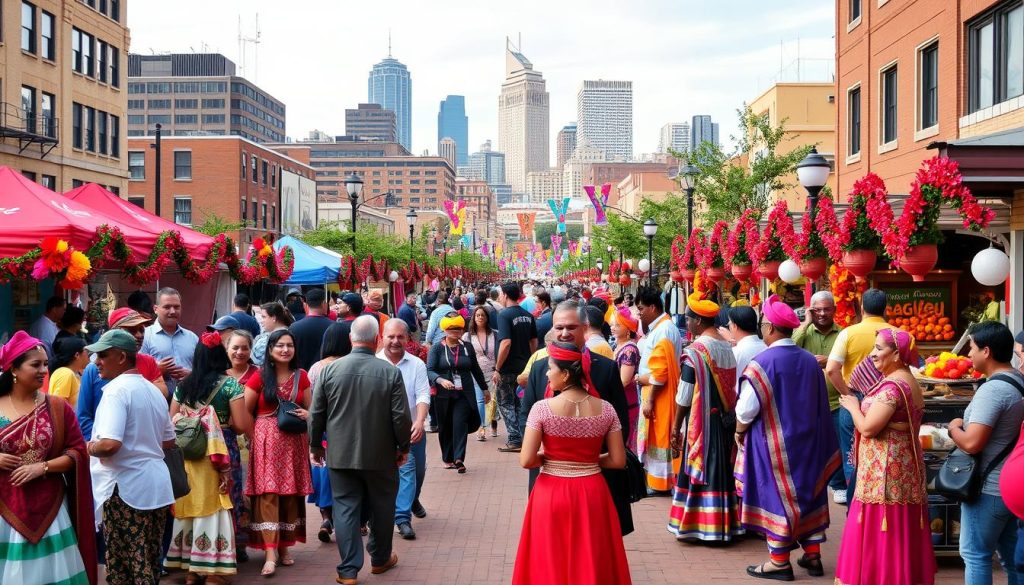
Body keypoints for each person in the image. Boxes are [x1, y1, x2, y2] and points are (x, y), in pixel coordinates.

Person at [735, 295, 840, 581]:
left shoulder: (761, 363)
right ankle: (813, 555)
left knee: (777, 498)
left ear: (768, 327)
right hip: (810, 443)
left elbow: (746, 410)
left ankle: (779, 561)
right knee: (811, 494)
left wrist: (739, 432)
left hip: (775, 445)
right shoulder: (810, 361)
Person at [513, 340, 631, 584]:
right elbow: (618, 460)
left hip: (551, 493)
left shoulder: (542, 409)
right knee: (590, 559)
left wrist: (549, 458)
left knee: (550, 561)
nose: (546, 373)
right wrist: (587, 462)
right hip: (592, 492)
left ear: (565, 374)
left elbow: (526, 460)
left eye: (550, 368)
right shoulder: (606, 410)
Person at [309, 315, 411, 585]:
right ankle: (379, 559)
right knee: (383, 506)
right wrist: (403, 447)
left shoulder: (329, 371)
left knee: (344, 509)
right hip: (381, 454)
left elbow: (316, 413)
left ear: (350, 339)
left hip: (340, 454)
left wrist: (315, 445)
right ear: (377, 339)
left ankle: (348, 569)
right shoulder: (389, 371)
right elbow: (400, 416)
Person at [520, 301, 634, 535]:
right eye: (558, 327)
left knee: (594, 545)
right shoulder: (541, 368)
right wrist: (544, 454)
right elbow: (526, 416)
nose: (564, 333)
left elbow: (621, 424)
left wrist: (588, 461)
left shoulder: (606, 368)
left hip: (596, 481)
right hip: (547, 480)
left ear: (585, 327)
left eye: (571, 327)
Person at [834, 329, 936, 585]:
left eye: (879, 349)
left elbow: (869, 427)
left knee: (885, 530)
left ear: (897, 354)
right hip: (898, 468)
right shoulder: (905, 379)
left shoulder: (893, 387)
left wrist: (854, 407)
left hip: (884, 475)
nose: (872, 354)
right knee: (900, 531)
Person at [0, 331, 96, 585]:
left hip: (50, 509)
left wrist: (42, 467)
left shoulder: (56, 407)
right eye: (36, 365)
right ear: (13, 369)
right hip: (4, 509)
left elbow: (76, 452)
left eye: (45, 363)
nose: (44, 370)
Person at [86, 329, 177, 585]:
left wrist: (88, 447)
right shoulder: (152, 390)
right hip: (155, 487)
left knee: (125, 567)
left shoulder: (116, 391)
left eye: (103, 355)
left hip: (126, 490)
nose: (97, 362)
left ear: (122, 357)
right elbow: (168, 441)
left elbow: (109, 445)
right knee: (147, 561)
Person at [165, 332, 252, 583]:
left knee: (191, 505)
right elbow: (240, 425)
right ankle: (214, 571)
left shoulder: (184, 386)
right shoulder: (231, 385)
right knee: (218, 506)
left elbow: (171, 421)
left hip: (189, 454)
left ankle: (192, 571)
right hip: (220, 453)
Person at [950, 321, 1024, 585]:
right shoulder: (1018, 379)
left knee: (975, 554)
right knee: (1011, 559)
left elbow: (972, 443)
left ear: (987, 351)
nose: (968, 354)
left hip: (990, 488)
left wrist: (953, 427)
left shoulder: (993, 390)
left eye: (971, 348)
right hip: (1011, 485)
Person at [668, 290, 742, 542]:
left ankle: (702, 526)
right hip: (723, 421)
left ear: (698, 321)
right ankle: (724, 525)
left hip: (702, 424)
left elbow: (684, 395)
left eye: (688, 319)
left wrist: (676, 427)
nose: (686, 323)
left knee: (702, 469)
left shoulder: (696, 351)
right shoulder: (726, 347)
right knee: (722, 469)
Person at [243, 329, 313, 577]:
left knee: (290, 495)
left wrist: (308, 415)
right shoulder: (260, 377)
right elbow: (245, 412)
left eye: (289, 345)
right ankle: (270, 552)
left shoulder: (301, 377)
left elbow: (311, 408)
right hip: (265, 443)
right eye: (280, 346)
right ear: (270, 351)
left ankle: (285, 546)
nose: (285, 350)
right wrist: (256, 439)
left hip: (293, 443)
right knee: (268, 494)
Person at [826, 288, 896, 504]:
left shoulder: (848, 333)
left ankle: (855, 506)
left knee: (852, 457)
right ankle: (880, 506)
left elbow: (831, 370)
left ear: (862, 307)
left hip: (855, 401)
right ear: (886, 309)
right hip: (889, 403)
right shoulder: (897, 334)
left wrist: (848, 395)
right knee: (885, 457)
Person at [77, 308, 168, 441]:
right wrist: (96, 444)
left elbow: (163, 392)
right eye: (131, 330)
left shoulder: (148, 361)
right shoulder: (93, 369)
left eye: (142, 330)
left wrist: (135, 383)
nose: (139, 335)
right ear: (114, 332)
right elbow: (84, 416)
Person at [378, 319, 430, 540]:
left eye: (400, 337)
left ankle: (411, 498)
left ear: (408, 339)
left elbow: (422, 394)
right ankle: (402, 517)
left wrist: (419, 421)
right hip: (381, 431)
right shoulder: (374, 363)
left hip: (411, 428)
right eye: (391, 336)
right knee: (400, 472)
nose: (395, 341)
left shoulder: (417, 364)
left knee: (417, 473)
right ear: (382, 337)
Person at [635, 286, 682, 494]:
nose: (639, 313)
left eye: (641, 309)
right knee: (657, 437)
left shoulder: (664, 329)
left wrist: (650, 398)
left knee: (661, 438)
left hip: (660, 393)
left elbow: (660, 370)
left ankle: (663, 483)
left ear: (653, 307)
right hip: (655, 390)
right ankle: (658, 481)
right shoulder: (662, 327)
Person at [427, 313, 488, 472]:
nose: (456, 332)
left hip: (464, 393)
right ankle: (448, 458)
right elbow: (430, 370)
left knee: (460, 423)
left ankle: (459, 458)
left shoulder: (467, 347)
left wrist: (484, 388)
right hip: (443, 395)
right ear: (445, 330)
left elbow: (475, 368)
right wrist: (441, 380)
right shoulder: (437, 348)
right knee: (445, 426)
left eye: (459, 329)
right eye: (452, 329)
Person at [307, 323, 350, 544]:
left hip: (323, 428)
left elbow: (314, 403)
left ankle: (326, 518)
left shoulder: (316, 368)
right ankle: (349, 521)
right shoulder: (350, 365)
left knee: (322, 472)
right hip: (346, 429)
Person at [223, 329, 257, 560]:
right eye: (235, 347)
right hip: (225, 443)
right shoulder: (219, 376)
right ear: (226, 349)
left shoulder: (259, 374)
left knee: (247, 491)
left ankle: (244, 543)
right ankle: (228, 541)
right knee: (228, 490)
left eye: (244, 347)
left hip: (253, 440)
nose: (240, 352)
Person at [493, 282, 538, 452]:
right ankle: (523, 436)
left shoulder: (504, 315)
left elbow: (505, 343)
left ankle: (514, 438)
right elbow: (533, 341)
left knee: (505, 402)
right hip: (523, 366)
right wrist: (530, 360)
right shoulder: (528, 315)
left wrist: (498, 368)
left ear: (504, 295)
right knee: (520, 402)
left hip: (507, 367)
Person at [141, 287, 199, 396]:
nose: (172, 311)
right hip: (157, 399)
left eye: (176, 307)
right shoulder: (144, 337)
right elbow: (136, 373)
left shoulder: (192, 338)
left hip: (189, 400)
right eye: (167, 307)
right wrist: (157, 370)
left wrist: (192, 375)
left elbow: (203, 370)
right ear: (155, 309)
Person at [610, 305, 641, 453]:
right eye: (612, 324)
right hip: (622, 402)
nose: (613, 328)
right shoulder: (620, 346)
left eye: (617, 325)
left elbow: (624, 381)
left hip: (627, 402)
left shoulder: (629, 350)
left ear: (628, 329)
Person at [465, 306, 497, 442]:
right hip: (476, 373)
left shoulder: (495, 334)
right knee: (480, 400)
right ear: (473, 317)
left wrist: (498, 369)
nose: (480, 318)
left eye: (483, 315)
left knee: (493, 401)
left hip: (493, 372)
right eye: (477, 315)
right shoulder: (468, 336)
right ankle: (481, 427)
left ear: (487, 318)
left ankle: (493, 424)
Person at [290, 288, 334, 371]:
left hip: (301, 376)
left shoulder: (294, 327)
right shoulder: (334, 327)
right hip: (327, 374)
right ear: (324, 304)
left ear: (305, 305)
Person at [728, 306, 766, 390]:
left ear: (735, 326)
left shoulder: (735, 352)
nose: (729, 326)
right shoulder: (767, 347)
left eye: (729, 323)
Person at [48, 337, 89, 406]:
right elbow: (58, 406)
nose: (88, 355)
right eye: (87, 352)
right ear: (77, 355)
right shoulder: (65, 373)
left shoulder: (73, 374)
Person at [253, 302, 294, 367]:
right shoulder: (290, 333)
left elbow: (256, 360)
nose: (261, 321)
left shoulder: (270, 338)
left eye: (264, 317)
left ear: (274, 318)